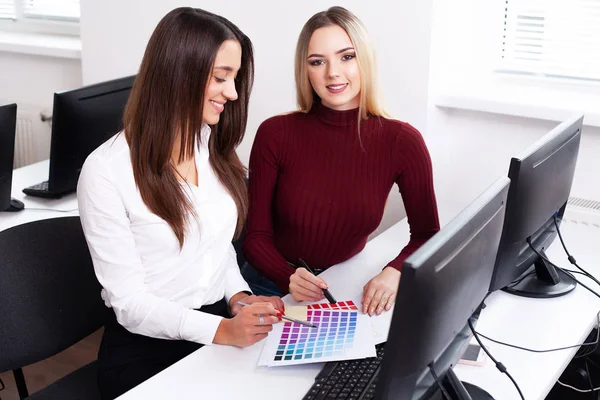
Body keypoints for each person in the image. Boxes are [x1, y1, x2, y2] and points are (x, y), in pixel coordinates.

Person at [77, 8, 283, 400]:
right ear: (178, 72)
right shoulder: (106, 171)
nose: (233, 92)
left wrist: (237, 296)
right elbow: (130, 304)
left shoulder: (211, 149)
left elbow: (215, 247)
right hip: (144, 353)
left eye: (234, 78)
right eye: (221, 78)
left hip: (214, 330)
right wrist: (220, 330)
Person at [242, 6, 440, 318]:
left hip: (345, 279)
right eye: (317, 62)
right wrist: (286, 276)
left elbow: (427, 233)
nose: (332, 72)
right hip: (272, 286)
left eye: (346, 57)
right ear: (305, 71)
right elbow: (255, 238)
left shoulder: (402, 141)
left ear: (365, 60)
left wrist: (394, 272)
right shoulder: (275, 133)